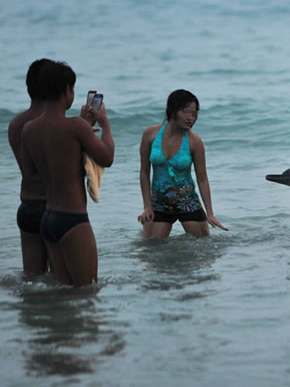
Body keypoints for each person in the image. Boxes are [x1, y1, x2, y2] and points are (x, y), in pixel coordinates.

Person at [20, 61, 114, 285]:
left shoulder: (28, 129)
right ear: (67, 91)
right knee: (87, 291)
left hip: (48, 218)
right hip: (72, 218)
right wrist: (105, 124)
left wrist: (82, 130)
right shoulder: (75, 126)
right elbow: (107, 157)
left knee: (63, 293)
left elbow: (34, 170)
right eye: (72, 89)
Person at [137, 89, 228, 238]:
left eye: (194, 113)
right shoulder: (150, 135)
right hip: (159, 205)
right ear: (172, 110)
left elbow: (202, 179)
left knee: (203, 248)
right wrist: (147, 206)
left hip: (188, 203)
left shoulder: (195, 142)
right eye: (186, 112)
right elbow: (144, 172)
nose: (191, 117)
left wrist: (210, 213)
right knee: (152, 249)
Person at [8, 59, 53, 274]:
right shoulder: (53, 124)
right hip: (53, 207)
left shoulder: (15, 124)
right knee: (62, 280)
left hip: (27, 206)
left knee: (32, 279)